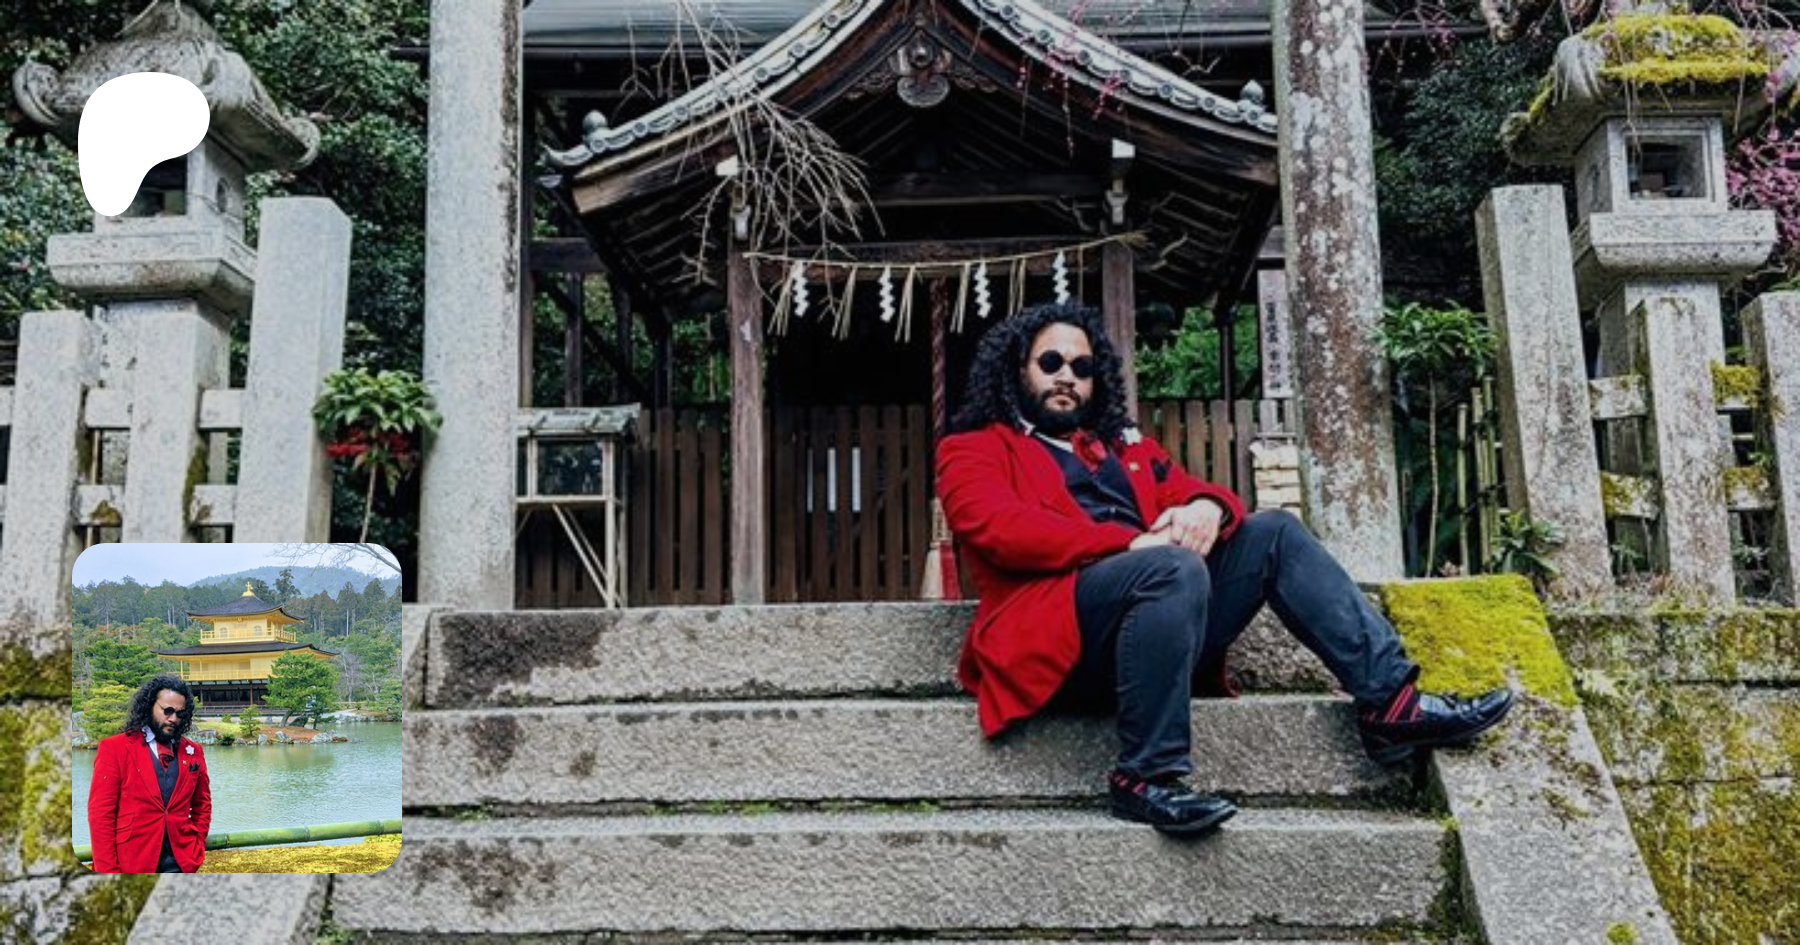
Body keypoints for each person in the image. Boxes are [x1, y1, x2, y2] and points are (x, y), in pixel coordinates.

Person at [935, 302, 1514, 836]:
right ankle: (1145, 777)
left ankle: (1390, 704)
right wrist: (1132, 543)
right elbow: (1000, 529)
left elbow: (1198, 491)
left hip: (1154, 632)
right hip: (1059, 639)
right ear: (1018, 368)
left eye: (1081, 367)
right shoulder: (972, 448)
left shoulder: (1124, 449)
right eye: (1051, 362)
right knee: (1171, 566)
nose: (1067, 376)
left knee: (1274, 531)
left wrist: (1206, 508)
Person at [87, 674, 212, 872]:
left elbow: (202, 804)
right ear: (149, 705)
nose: (173, 719)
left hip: (182, 861)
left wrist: (197, 842)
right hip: (131, 862)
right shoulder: (114, 748)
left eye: (180, 713)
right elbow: (101, 816)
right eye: (167, 711)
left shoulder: (193, 751)